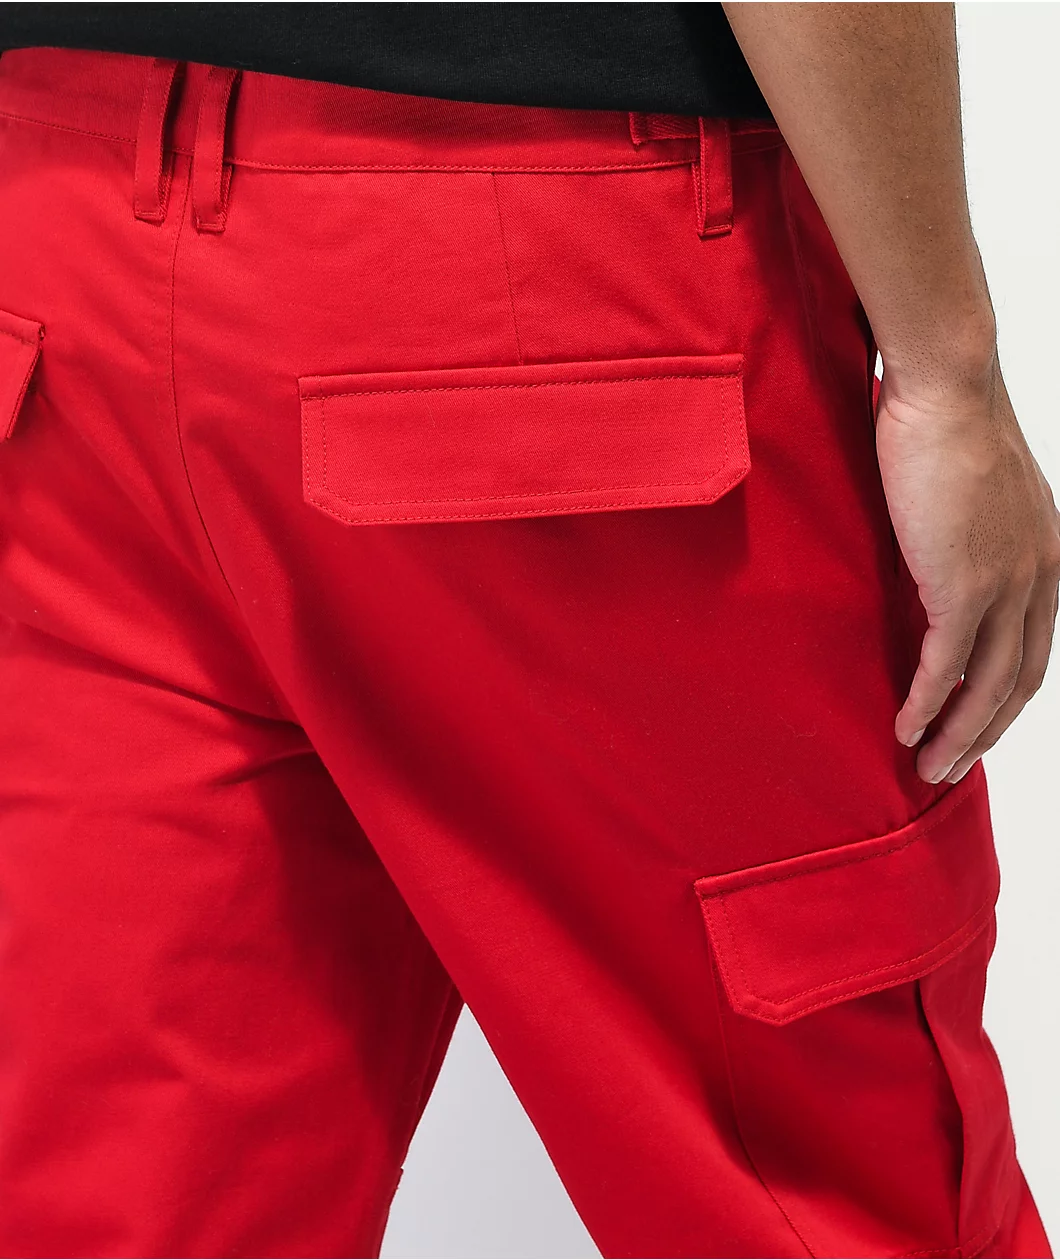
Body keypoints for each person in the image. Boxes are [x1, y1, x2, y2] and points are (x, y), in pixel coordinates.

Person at [0, 4, 1055, 1257]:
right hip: (529, 280)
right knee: (825, 1194)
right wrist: (946, 371)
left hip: (61, 265)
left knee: (132, 1192)